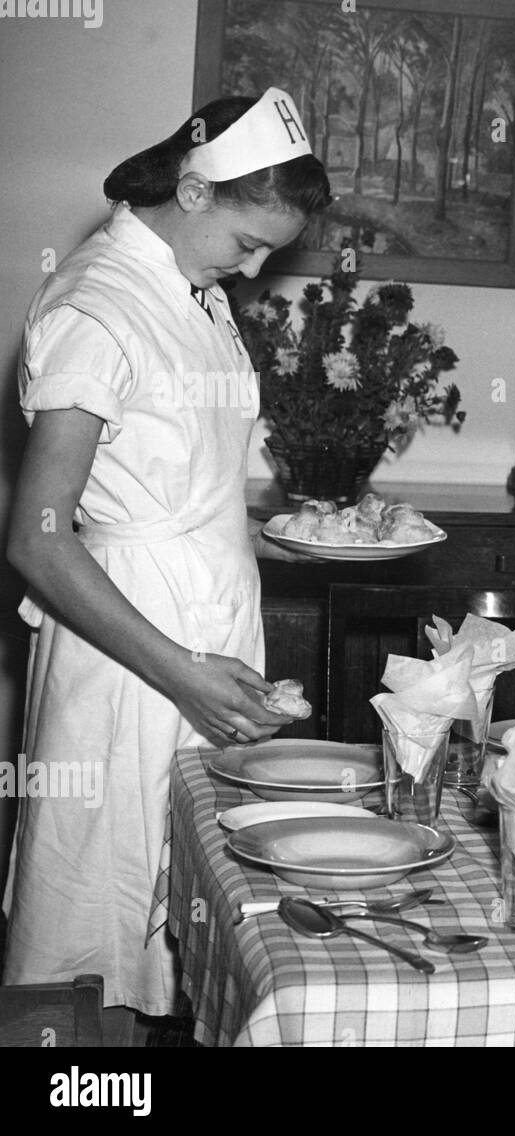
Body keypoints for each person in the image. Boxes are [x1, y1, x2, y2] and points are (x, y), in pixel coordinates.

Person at [2, 89, 331, 1015]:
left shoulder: (191, 293)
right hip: (131, 657)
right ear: (192, 192)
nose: (257, 268)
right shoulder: (98, 306)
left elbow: (185, 479)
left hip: (206, 636)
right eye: (248, 243)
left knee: (195, 929)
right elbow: (36, 539)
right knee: (97, 939)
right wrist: (180, 670)